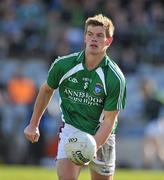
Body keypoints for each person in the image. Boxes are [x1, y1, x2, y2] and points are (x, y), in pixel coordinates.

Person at [24, 14, 126, 180]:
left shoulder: (115, 77)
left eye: (100, 35)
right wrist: (33, 124)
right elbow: (46, 90)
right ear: (85, 38)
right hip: (72, 130)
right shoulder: (63, 65)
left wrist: (91, 147)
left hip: (102, 136)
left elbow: (110, 120)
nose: (94, 39)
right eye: (90, 34)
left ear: (109, 41)